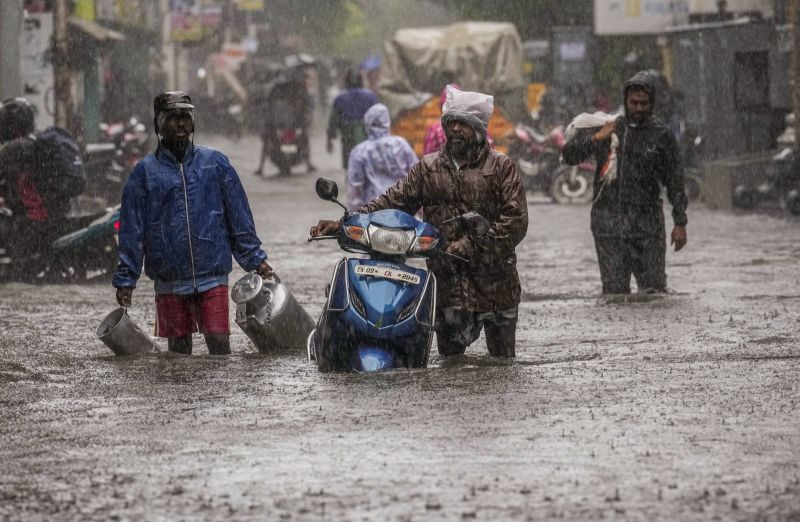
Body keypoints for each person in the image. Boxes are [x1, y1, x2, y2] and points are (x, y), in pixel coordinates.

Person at [311, 86, 528, 358]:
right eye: (451, 123)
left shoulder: (502, 167)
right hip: (448, 286)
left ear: (479, 129)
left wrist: (470, 245)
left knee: (502, 365)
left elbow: (515, 221)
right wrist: (346, 222)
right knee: (450, 366)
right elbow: (393, 200)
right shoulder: (428, 168)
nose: (456, 129)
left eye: (463, 124)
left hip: (497, 286)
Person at [113, 91, 273, 355]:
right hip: (170, 281)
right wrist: (126, 279)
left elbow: (238, 219)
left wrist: (257, 260)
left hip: (213, 276)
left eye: (185, 117)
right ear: (159, 124)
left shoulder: (215, 164)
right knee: (178, 358)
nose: (180, 124)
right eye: (173, 117)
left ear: (193, 123)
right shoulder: (144, 173)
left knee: (220, 348)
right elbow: (132, 231)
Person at [562, 71, 688, 295]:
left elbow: (675, 181)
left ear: (652, 103)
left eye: (644, 103)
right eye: (634, 103)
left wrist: (680, 223)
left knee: (654, 293)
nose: (639, 108)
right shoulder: (609, 129)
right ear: (626, 102)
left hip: (647, 229)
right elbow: (569, 156)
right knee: (615, 295)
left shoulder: (661, 135)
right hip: (609, 228)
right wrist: (596, 138)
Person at [0, 97, 81, 263]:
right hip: (57, 216)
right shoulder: (36, 142)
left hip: (34, 222)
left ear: (9, 124)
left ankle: (18, 267)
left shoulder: (14, 149)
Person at [346, 103, 417, 212]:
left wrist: (353, 214)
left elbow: (355, 188)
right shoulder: (401, 144)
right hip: (402, 209)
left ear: (367, 123)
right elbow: (416, 175)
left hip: (373, 211)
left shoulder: (359, 152)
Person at [254, 56, 317, 177]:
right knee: (267, 139)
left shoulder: (292, 87)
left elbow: (306, 104)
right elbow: (267, 104)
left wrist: (305, 115)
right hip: (282, 121)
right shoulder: (279, 88)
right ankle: (261, 167)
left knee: (303, 137)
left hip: (292, 121)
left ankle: (261, 167)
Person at [327, 69, 378, 170]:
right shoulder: (370, 97)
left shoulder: (340, 99)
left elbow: (333, 120)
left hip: (348, 139)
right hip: (367, 138)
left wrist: (330, 139)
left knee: (350, 167)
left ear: (346, 82)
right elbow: (379, 118)